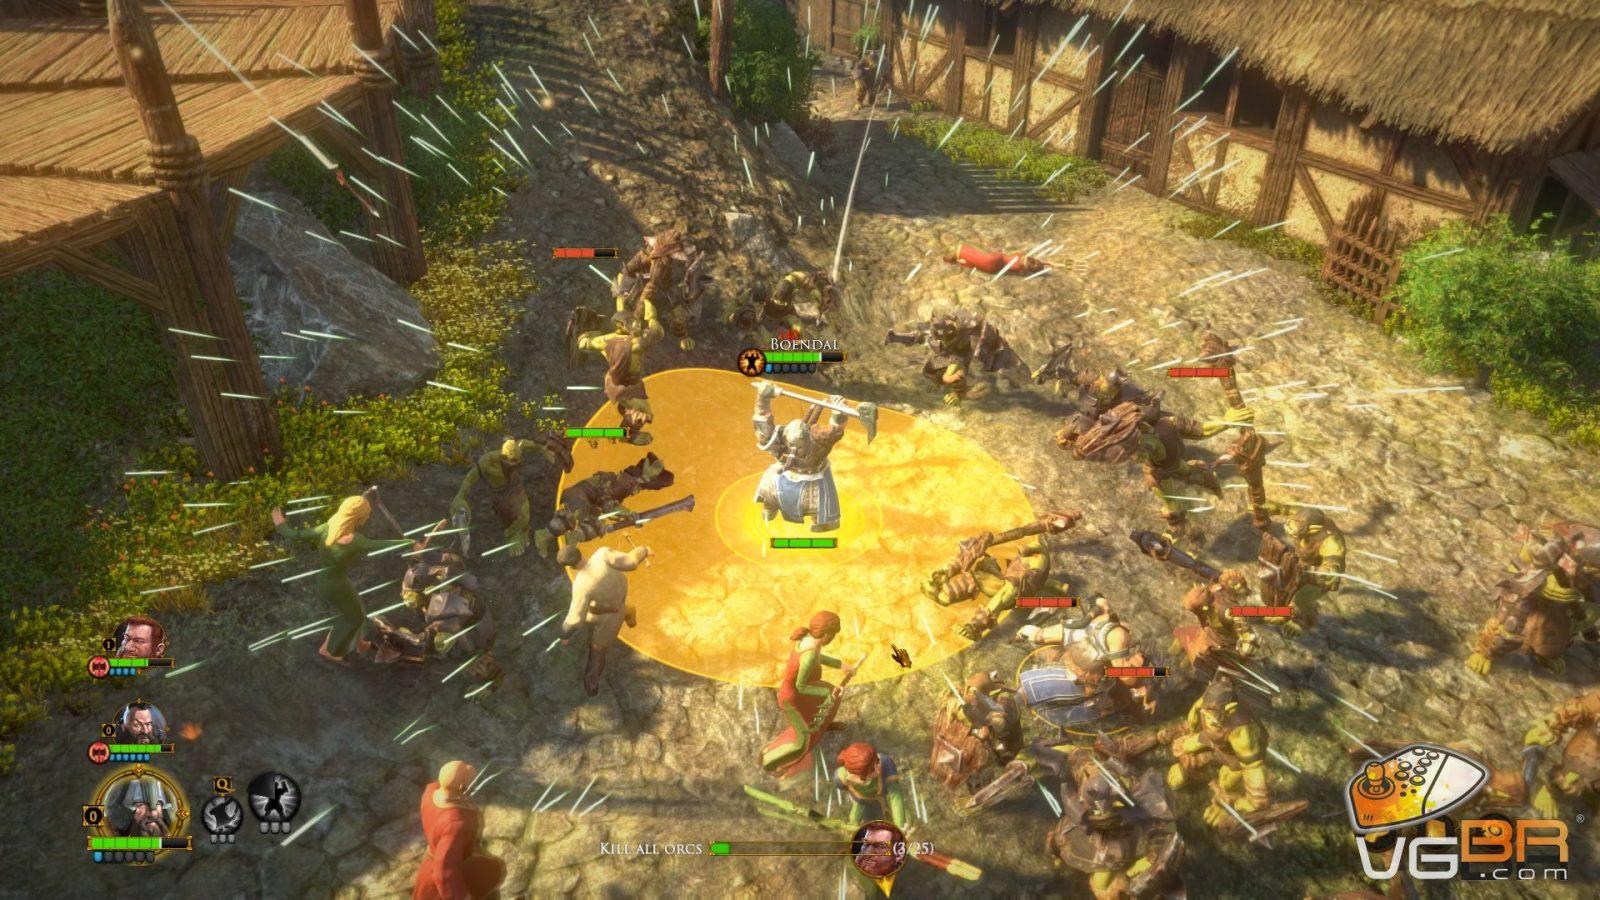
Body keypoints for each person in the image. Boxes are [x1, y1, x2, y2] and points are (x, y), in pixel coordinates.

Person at [273, 495, 410, 664]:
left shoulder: (327, 528)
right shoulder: (354, 540)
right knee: (353, 618)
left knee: (356, 612)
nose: (368, 517)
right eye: (367, 514)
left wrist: (280, 523)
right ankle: (329, 650)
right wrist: (410, 543)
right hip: (336, 586)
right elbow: (381, 545)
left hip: (326, 581)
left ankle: (360, 644)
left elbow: (294, 534)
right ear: (358, 518)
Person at [1046, 747, 1183, 900]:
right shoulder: (1087, 785)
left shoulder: (1130, 787)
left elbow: (1163, 827)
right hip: (1088, 839)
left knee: (1107, 878)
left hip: (1112, 844)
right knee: (1103, 873)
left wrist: (1152, 862)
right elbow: (1074, 759)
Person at [1468, 520, 1600, 676]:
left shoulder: (1578, 581)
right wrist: (1485, 653)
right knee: (1514, 624)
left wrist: (1589, 631)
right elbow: (1508, 626)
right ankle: (1489, 652)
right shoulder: (1532, 585)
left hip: (1558, 612)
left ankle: (1547, 654)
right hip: (1536, 602)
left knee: (1555, 641)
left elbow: (1581, 611)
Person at [1166, 677, 1271, 835]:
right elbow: (1194, 718)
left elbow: (1253, 767)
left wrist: (1257, 799)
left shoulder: (1241, 730)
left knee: (1226, 782)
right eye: (1206, 713)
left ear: (1229, 709)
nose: (1207, 719)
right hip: (1212, 740)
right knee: (1185, 747)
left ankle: (1224, 802)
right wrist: (1189, 733)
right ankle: (1188, 768)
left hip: (1235, 757)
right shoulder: (1207, 703)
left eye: (1212, 717)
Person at [761, 611, 855, 776]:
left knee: (826, 706)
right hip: (793, 698)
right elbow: (801, 686)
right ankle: (769, 760)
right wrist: (828, 693)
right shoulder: (809, 654)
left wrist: (840, 665)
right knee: (802, 742)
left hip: (803, 692)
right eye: (833, 635)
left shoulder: (808, 640)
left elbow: (818, 657)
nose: (833, 638)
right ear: (826, 635)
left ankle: (822, 726)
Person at [752, 381, 853, 532]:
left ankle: (820, 522)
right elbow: (834, 431)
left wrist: (763, 399)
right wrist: (839, 413)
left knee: (816, 503)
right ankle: (770, 508)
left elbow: (835, 431)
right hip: (788, 478)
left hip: (809, 480)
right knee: (772, 492)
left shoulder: (813, 442)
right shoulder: (814, 443)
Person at [537, 453, 676, 562]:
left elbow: (608, 508)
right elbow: (608, 503)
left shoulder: (623, 485)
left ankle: (573, 539)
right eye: (636, 486)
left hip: (589, 503)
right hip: (577, 495)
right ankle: (544, 535)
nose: (636, 490)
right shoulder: (620, 483)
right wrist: (628, 514)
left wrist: (628, 516)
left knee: (597, 524)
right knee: (576, 513)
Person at [451, 436, 573, 558]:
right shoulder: (487, 462)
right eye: (511, 461)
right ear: (503, 456)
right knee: (509, 515)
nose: (513, 465)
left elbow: (526, 443)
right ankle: (513, 536)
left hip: (516, 487)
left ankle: (529, 534)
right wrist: (460, 495)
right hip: (500, 493)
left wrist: (542, 448)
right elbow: (470, 479)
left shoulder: (518, 447)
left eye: (516, 461)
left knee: (524, 511)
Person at [563, 544, 650, 696]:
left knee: (597, 647)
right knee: (592, 610)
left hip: (613, 613)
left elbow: (575, 618)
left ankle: (592, 681)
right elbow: (631, 562)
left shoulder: (581, 584)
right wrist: (644, 550)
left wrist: (564, 634)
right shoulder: (602, 554)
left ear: (570, 565)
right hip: (609, 603)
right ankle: (627, 612)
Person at [885, 310, 1025, 405]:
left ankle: (959, 394)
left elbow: (983, 328)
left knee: (952, 376)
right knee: (929, 371)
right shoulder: (934, 332)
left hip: (959, 355)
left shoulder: (964, 328)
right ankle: (940, 384)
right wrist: (896, 337)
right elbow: (919, 336)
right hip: (944, 353)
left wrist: (988, 347)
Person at [414, 760, 506, 900]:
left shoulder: (431, 790)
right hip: (446, 882)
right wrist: (460, 897)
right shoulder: (456, 823)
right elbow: (445, 870)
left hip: (429, 863)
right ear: (461, 786)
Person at [614, 228, 706, 351]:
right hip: (636, 291)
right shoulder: (647, 256)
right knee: (627, 314)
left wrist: (683, 335)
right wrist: (631, 311)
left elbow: (672, 296)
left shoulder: (677, 266)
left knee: (675, 311)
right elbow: (628, 273)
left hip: (661, 293)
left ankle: (681, 336)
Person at [570, 313, 655, 445]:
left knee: (642, 411)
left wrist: (586, 337)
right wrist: (584, 336)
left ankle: (626, 414)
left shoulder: (617, 339)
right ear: (619, 325)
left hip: (632, 382)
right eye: (631, 322)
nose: (636, 325)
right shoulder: (612, 340)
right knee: (642, 411)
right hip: (620, 384)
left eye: (635, 322)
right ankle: (626, 435)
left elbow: (584, 343)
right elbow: (584, 343)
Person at [727, 270, 839, 337]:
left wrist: (818, 290)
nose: (779, 301)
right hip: (773, 324)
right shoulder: (767, 296)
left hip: (786, 315)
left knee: (806, 320)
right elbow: (749, 293)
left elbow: (797, 278)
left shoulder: (775, 293)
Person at [835, 742, 910, 829]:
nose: (877, 770)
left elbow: (895, 797)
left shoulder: (886, 763)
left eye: (877, 762)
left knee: (905, 821)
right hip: (865, 804)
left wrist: (900, 827)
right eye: (872, 770)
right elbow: (859, 802)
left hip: (887, 800)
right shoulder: (841, 778)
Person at [942, 244, 1050, 276]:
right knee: (973, 258)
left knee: (972, 256)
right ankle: (956, 259)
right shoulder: (1023, 268)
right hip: (992, 265)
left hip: (993, 261)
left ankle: (956, 258)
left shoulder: (1022, 261)